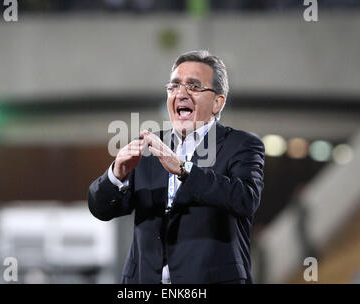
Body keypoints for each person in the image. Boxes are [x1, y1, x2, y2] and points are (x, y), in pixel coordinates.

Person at [88, 50, 265, 284]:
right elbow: (102, 209)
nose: (181, 93)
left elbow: (245, 199)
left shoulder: (242, 145)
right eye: (174, 86)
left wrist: (184, 170)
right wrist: (116, 174)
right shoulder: (149, 146)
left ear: (217, 102)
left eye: (193, 86)